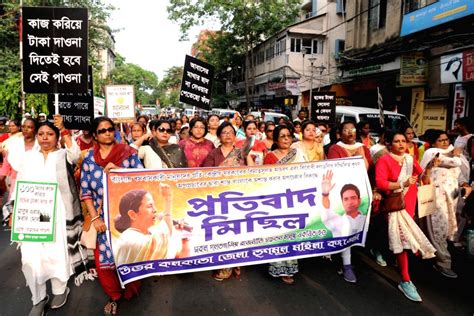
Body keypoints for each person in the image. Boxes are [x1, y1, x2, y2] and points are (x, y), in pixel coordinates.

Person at [15, 115, 92, 315]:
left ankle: (60, 289)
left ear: (56, 137)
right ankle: (38, 298)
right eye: (41, 134)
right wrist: (15, 210)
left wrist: (65, 130)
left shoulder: (63, 155)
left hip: (58, 215)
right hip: (31, 216)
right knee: (31, 257)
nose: (45, 138)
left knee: (55, 252)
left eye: (50, 134)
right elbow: (19, 184)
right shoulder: (29, 157)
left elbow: (76, 155)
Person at [80, 116, 144, 315]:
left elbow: (142, 180)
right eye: (102, 131)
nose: (107, 133)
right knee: (105, 261)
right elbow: (86, 192)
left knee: (130, 255)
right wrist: (96, 218)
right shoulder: (89, 159)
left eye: (110, 129)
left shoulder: (128, 154)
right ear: (95, 135)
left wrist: (120, 172)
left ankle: (130, 290)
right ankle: (114, 296)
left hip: (129, 215)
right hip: (103, 217)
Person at [375, 132, 436, 302]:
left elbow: (422, 176)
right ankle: (405, 279)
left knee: (406, 240)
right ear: (389, 144)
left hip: (410, 202)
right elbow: (381, 183)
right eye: (397, 141)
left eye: (403, 141)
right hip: (395, 204)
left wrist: (430, 167)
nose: (401, 144)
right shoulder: (384, 160)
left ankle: (387, 254)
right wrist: (402, 183)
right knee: (402, 241)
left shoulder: (409, 159)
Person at [203, 122, 254, 281]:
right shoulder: (213, 153)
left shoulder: (242, 152)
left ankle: (236, 262)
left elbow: (252, 171)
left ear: (235, 136)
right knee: (223, 231)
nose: (227, 135)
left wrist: (245, 162)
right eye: (224, 132)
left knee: (237, 231)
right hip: (219, 197)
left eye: (231, 132)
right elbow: (205, 174)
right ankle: (225, 266)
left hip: (238, 196)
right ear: (219, 136)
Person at [420, 130, 467, 279]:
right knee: (437, 231)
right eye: (441, 140)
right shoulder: (432, 152)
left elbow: (459, 173)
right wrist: (457, 153)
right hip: (436, 198)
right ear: (433, 143)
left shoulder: (449, 153)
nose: (445, 143)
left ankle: (432, 257)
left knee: (447, 230)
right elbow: (456, 162)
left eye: (447, 139)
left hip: (451, 198)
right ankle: (443, 263)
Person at [263, 125, 305, 284]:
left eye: (288, 136)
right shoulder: (270, 157)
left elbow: (308, 173)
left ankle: (290, 267)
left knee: (291, 233)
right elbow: (267, 180)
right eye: (282, 136)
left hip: (296, 198)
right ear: (275, 139)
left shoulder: (298, 154)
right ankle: (278, 268)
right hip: (278, 200)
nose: (286, 139)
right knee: (279, 234)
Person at [114, 187, 190, 266]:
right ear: (132, 215)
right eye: (150, 206)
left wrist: (185, 237)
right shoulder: (128, 237)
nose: (155, 210)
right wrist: (168, 199)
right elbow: (166, 232)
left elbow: (182, 260)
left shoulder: (151, 234)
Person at [320, 171, 368, 283]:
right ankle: (347, 267)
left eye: (353, 198)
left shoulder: (365, 217)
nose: (350, 202)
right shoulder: (339, 221)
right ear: (342, 202)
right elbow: (326, 210)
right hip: (338, 253)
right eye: (346, 199)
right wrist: (325, 194)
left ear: (359, 200)